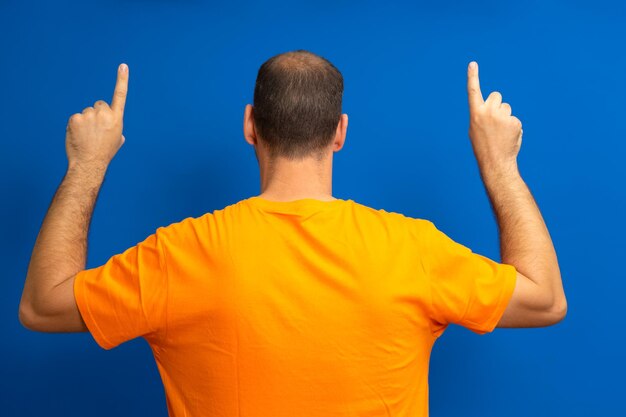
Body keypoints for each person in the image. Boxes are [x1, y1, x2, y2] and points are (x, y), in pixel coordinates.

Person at [18, 50, 566, 417]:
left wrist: (86, 164)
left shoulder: (181, 253)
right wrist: (500, 164)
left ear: (250, 125)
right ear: (340, 132)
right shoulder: (413, 250)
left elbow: (42, 307)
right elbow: (543, 300)